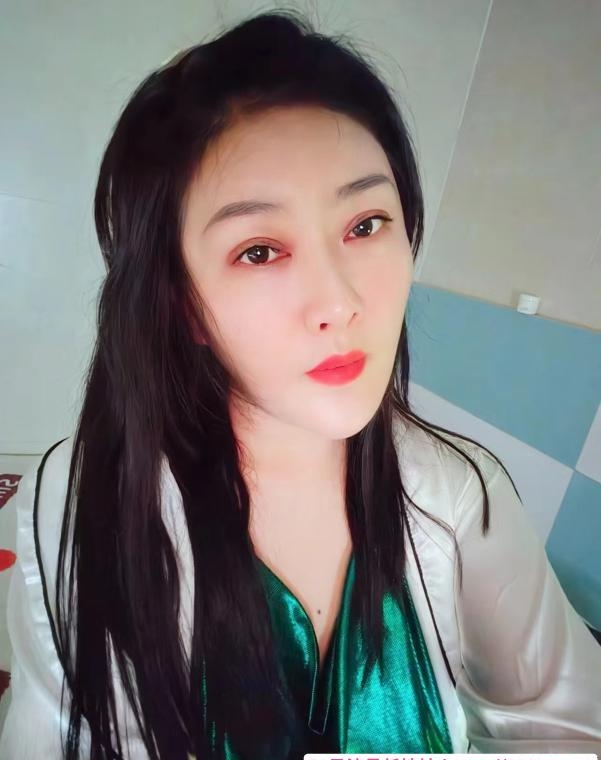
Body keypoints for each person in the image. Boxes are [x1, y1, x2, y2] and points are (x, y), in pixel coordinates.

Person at [1, 9, 600, 760]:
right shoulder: (83, 499)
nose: (339, 303)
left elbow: (570, 728)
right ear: (182, 302)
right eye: (259, 250)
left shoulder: (460, 494)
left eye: (365, 225)